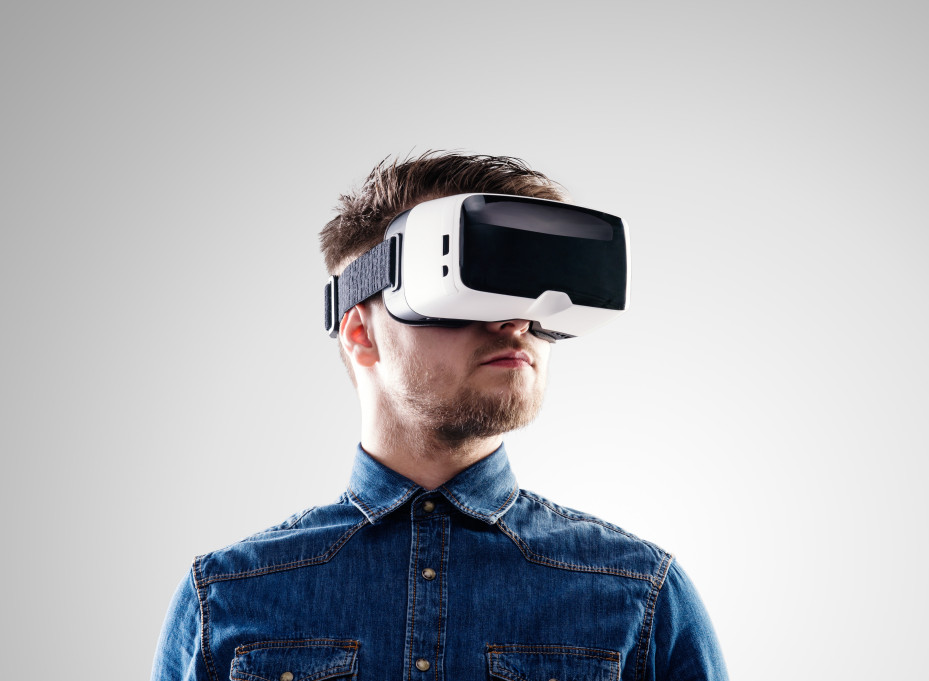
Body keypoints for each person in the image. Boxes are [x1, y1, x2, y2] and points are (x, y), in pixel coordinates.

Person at [151, 151, 728, 680]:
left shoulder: (640, 596)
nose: (515, 322)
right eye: (474, 288)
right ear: (360, 333)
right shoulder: (227, 599)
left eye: (530, 294)